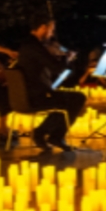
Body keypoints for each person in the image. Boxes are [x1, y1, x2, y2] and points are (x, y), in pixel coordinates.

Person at [15, 11, 87, 152]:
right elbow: (58, 69)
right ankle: (45, 134)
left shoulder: (28, 44)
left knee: (70, 100)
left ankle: (53, 136)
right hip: (36, 96)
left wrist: (60, 56)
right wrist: (67, 57)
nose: (52, 34)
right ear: (43, 27)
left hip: (32, 93)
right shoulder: (35, 47)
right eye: (51, 30)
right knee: (77, 99)